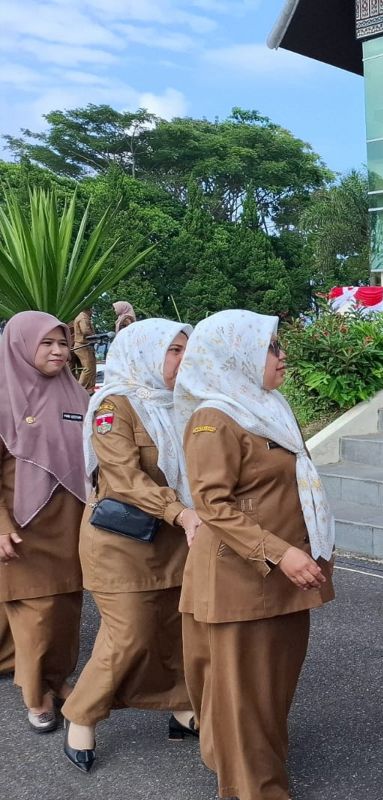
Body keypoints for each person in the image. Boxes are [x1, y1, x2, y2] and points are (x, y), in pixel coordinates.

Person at [178, 309, 336, 800]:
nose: (282, 356)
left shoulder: (266, 406)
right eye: (271, 347)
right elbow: (213, 506)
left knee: (270, 696)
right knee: (245, 703)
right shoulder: (214, 417)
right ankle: (255, 789)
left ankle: (252, 772)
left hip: (282, 579)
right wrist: (282, 553)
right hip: (241, 582)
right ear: (236, 355)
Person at [61, 319, 200, 772]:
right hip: (121, 544)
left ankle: (181, 708)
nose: (184, 358)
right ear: (144, 352)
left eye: (186, 348)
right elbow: (123, 478)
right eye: (174, 350)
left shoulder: (185, 404)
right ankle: (81, 714)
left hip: (177, 541)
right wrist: (179, 511)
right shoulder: (113, 406)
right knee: (130, 633)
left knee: (175, 628)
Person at [0, 311, 88, 733]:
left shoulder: (75, 393)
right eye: (47, 343)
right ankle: (36, 695)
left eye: (63, 342)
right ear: (20, 345)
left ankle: (57, 680)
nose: (59, 351)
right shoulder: (4, 396)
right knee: (37, 613)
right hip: (23, 526)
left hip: (72, 519)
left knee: (67, 609)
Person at [71, 308, 97, 393]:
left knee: (82, 369)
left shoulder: (82, 316)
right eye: (91, 310)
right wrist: (95, 336)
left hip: (81, 345)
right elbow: (85, 331)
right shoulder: (83, 317)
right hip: (83, 345)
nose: (92, 312)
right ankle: (79, 389)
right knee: (88, 368)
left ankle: (84, 388)